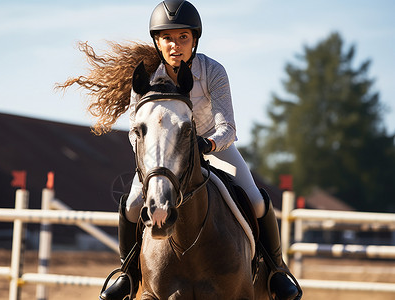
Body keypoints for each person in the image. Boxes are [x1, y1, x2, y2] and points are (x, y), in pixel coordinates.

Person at [59, 1, 300, 299]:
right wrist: (151, 159)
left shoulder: (213, 71)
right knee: (133, 205)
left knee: (256, 200)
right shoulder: (145, 78)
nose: (175, 45)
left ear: (194, 39)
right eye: (168, 38)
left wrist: (205, 144)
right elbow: (137, 130)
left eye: (182, 37)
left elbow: (228, 128)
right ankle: (127, 273)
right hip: (164, 156)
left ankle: (276, 271)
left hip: (213, 145)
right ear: (157, 42)